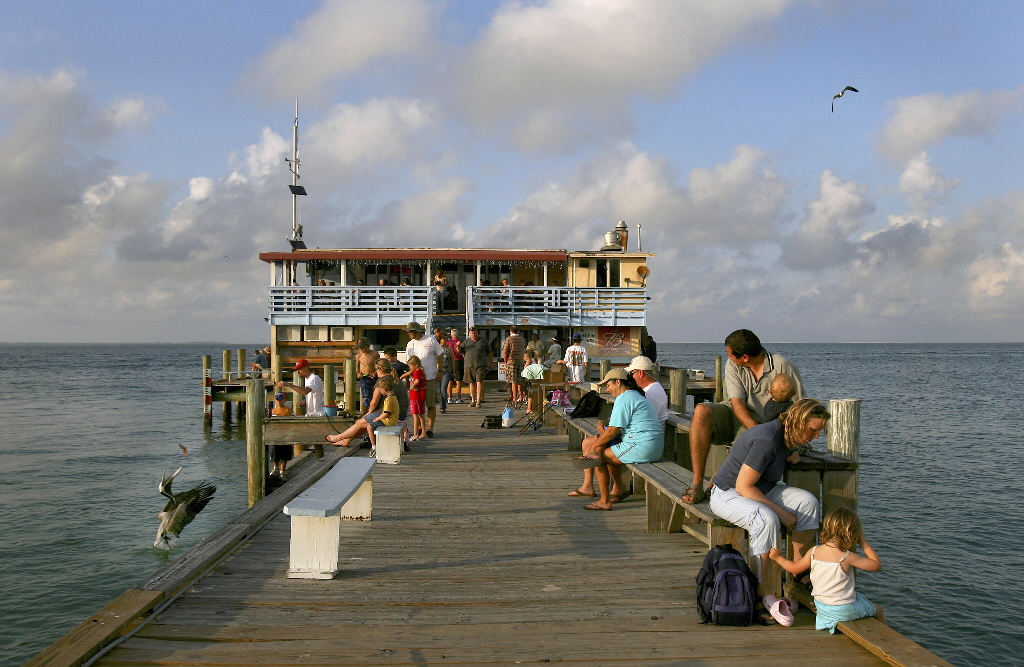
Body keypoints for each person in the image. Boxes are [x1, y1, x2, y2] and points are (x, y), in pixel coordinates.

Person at [709, 398, 826, 595]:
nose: (816, 437)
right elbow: (743, 486)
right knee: (766, 519)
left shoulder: (788, 434)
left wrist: (793, 453)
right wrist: (782, 513)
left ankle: (798, 570)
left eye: (819, 431)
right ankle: (761, 589)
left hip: (761, 488)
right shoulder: (767, 440)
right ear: (797, 422)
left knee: (808, 503)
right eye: (813, 430)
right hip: (727, 493)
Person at [681, 329, 805, 504]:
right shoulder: (733, 365)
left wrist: (795, 444)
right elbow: (736, 403)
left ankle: (719, 483)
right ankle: (697, 482)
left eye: (731, 355)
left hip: (771, 426)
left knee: (754, 446)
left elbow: (801, 408)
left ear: (745, 357)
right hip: (741, 418)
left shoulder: (782, 366)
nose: (729, 358)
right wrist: (758, 432)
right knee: (701, 410)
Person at [770, 506, 884, 632]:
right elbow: (876, 565)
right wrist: (864, 543)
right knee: (878, 609)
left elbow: (795, 569)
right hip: (843, 610)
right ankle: (885, 638)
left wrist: (779, 558)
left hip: (822, 607)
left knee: (859, 597)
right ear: (851, 533)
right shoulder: (847, 557)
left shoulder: (814, 552)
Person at [569, 356, 666, 500]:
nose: (607, 389)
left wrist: (595, 449)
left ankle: (605, 499)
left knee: (598, 456)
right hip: (644, 442)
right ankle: (608, 488)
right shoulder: (632, 395)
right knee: (594, 446)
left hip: (643, 445)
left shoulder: (626, 398)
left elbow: (613, 431)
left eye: (608, 385)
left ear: (618, 382)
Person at [325, 376, 398, 453]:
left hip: (387, 419)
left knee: (361, 423)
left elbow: (376, 404)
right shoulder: (391, 387)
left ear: (384, 389)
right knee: (364, 423)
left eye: (380, 390)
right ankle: (347, 440)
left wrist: (371, 414)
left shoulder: (385, 390)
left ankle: (339, 437)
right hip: (390, 416)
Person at [405, 322, 446, 437]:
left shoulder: (430, 340)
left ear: (416, 331)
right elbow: (408, 363)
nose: (408, 333)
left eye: (410, 331)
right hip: (416, 380)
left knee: (431, 404)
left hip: (430, 377)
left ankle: (430, 429)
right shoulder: (410, 344)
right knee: (417, 406)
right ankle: (419, 429)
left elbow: (440, 355)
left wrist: (440, 370)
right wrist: (408, 379)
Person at [461, 326, 490, 407]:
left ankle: (478, 401)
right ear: (470, 333)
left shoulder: (483, 341)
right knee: (471, 383)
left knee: (479, 381)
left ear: (477, 332)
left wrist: (490, 362)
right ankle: (473, 400)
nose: (473, 334)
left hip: (480, 365)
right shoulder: (466, 342)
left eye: (475, 333)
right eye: (472, 333)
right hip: (469, 365)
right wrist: (457, 346)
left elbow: (489, 352)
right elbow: (460, 351)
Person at [269, 392, 293, 479]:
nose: (279, 401)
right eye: (277, 399)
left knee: (285, 454)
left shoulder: (289, 410)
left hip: (286, 435)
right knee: (274, 453)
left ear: (284, 400)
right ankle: (276, 468)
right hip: (276, 435)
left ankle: (282, 471)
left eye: (281, 399)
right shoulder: (272, 411)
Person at [405, 355, 428, 441]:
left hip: (416, 396)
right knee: (421, 415)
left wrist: (413, 386)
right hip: (421, 395)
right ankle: (423, 432)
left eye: (411, 366)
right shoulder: (422, 371)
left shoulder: (417, 372)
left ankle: (415, 434)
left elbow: (417, 381)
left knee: (415, 415)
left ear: (415, 365)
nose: (410, 368)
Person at [501, 326, 527, 404]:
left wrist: (505, 362)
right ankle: (521, 396)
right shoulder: (522, 339)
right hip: (520, 361)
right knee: (520, 380)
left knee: (513, 381)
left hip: (511, 361)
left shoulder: (509, 339)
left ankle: (514, 398)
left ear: (510, 331)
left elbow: (505, 351)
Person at [355, 339, 380, 412]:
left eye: (363, 348)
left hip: (374, 377)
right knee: (365, 396)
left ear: (368, 346)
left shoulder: (375, 354)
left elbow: (379, 364)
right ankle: (366, 412)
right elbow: (357, 366)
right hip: (364, 377)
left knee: (374, 395)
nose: (362, 350)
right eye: (360, 348)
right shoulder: (359, 355)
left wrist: (376, 372)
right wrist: (358, 373)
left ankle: (374, 411)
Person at [447, 328, 466, 403]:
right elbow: (462, 353)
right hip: (458, 361)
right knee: (458, 380)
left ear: (451, 334)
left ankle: (449, 397)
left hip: (449, 361)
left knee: (450, 380)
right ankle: (458, 397)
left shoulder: (448, 343)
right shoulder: (460, 342)